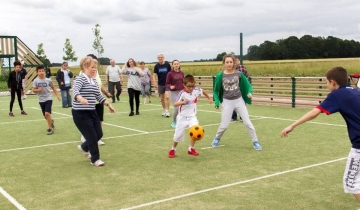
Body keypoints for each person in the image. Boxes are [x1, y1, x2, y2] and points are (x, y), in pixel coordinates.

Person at [280, 66, 360, 202]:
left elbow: (315, 112)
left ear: (333, 82)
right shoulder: (355, 91)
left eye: (326, 82)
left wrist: (292, 125)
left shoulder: (336, 95)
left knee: (351, 183)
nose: (326, 85)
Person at [211, 54, 262, 151]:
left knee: (247, 122)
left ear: (234, 63)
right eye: (227, 62)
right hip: (227, 102)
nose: (229, 64)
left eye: (231, 62)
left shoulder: (239, 74)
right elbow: (215, 91)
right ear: (224, 63)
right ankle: (217, 138)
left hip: (239, 101)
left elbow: (248, 86)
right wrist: (217, 102)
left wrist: (249, 93)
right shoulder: (220, 76)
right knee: (224, 125)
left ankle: (255, 142)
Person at [73, 56, 115, 167]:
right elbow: (75, 91)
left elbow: (98, 95)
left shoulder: (94, 81)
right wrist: (80, 98)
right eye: (92, 67)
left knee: (99, 134)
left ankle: (83, 147)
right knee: (91, 136)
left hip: (92, 111)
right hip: (80, 113)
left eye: (95, 67)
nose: (94, 69)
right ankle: (95, 159)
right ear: (85, 67)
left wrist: (108, 104)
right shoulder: (80, 79)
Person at [168, 75, 212, 158]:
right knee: (177, 136)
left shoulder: (196, 90)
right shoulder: (182, 93)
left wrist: (209, 98)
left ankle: (190, 148)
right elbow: (175, 103)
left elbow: (203, 91)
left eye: (192, 86)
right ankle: (173, 149)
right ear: (184, 85)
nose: (191, 88)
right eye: (189, 86)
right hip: (182, 117)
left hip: (192, 117)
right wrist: (183, 102)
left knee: (196, 131)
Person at [80, 54, 112, 146]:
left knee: (99, 119)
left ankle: (98, 138)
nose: (94, 67)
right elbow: (78, 89)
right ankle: (85, 136)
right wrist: (81, 98)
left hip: (99, 100)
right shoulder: (83, 74)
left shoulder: (96, 72)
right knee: (89, 121)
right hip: (88, 102)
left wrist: (106, 94)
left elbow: (100, 85)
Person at [32, 65, 61, 135]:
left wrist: (57, 95)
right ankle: (51, 121)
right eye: (39, 71)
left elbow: (53, 87)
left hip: (48, 98)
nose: (41, 72)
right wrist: (38, 90)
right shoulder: (35, 81)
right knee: (45, 116)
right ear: (37, 73)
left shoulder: (48, 80)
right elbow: (33, 90)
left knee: (47, 113)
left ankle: (50, 128)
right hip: (41, 99)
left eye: (42, 71)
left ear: (44, 72)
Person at [165, 60, 184, 128]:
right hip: (173, 92)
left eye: (177, 64)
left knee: (182, 107)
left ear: (179, 65)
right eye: (175, 64)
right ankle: (173, 122)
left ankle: (181, 121)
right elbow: (167, 83)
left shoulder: (182, 73)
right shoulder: (170, 73)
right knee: (176, 108)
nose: (176, 65)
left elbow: (183, 82)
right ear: (172, 65)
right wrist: (170, 86)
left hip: (181, 92)